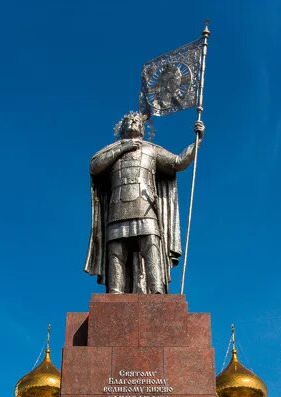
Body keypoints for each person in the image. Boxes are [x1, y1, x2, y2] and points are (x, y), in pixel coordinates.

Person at [85, 112, 204, 294]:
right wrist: (123, 148)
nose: (133, 122)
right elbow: (94, 166)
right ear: (121, 128)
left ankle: (156, 290)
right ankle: (115, 292)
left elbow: (177, 163)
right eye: (129, 120)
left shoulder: (151, 149)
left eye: (137, 121)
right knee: (116, 250)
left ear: (143, 128)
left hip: (145, 206)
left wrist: (197, 142)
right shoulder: (112, 150)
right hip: (118, 206)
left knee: (151, 245)